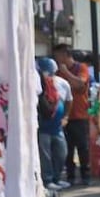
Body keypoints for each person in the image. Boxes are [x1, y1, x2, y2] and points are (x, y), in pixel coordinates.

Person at [50, 45, 87, 186]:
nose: (56, 59)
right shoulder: (57, 72)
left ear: (65, 55)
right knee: (67, 149)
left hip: (80, 114)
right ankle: (70, 176)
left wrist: (66, 72)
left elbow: (80, 85)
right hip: (64, 117)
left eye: (58, 55)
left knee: (82, 147)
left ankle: (85, 175)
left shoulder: (81, 68)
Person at [37, 57, 71, 190]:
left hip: (58, 127)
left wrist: (66, 117)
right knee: (45, 155)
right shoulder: (38, 84)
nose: (48, 75)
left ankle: (57, 178)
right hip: (43, 127)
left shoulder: (63, 83)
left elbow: (69, 100)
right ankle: (48, 180)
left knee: (62, 153)